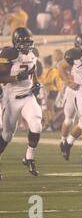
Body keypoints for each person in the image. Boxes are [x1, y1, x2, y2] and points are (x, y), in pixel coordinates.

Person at [0, 27, 42, 177]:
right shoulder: (9, 53)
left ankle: (29, 157)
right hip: (11, 98)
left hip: (28, 96)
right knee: (7, 135)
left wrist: (36, 83)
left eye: (29, 42)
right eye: (24, 42)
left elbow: (33, 71)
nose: (27, 46)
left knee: (36, 125)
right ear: (16, 42)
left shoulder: (33, 53)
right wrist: (16, 78)